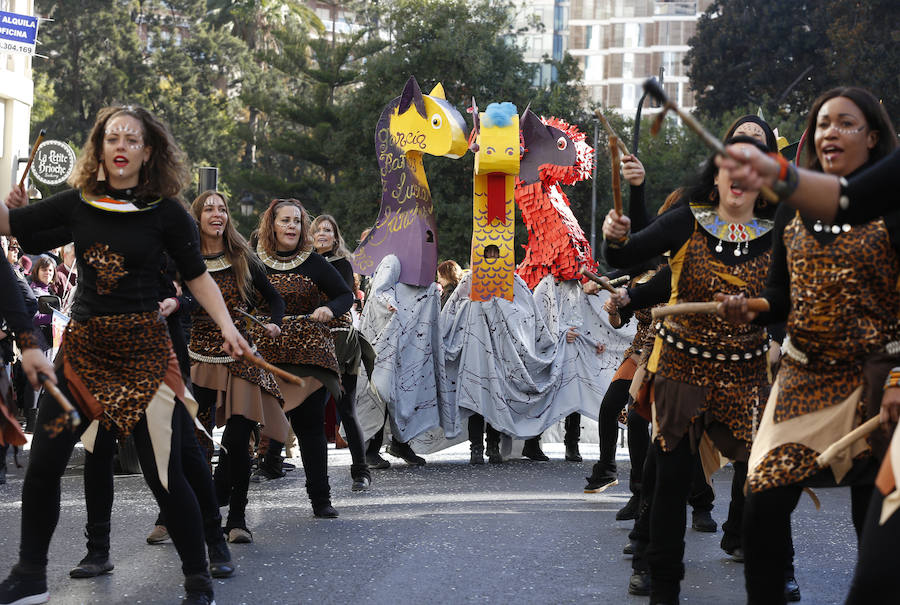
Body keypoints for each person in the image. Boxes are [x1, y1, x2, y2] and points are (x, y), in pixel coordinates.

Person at [0, 105, 250, 605]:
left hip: (145, 356)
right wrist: (14, 209)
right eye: (112, 136)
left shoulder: (168, 212)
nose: (120, 145)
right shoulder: (78, 204)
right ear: (100, 147)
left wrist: (227, 328)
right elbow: (11, 226)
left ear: (148, 151)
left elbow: (197, 277)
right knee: (44, 462)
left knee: (165, 474)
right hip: (84, 355)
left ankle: (198, 578)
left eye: (131, 139)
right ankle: (30, 575)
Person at [718, 87, 898, 605]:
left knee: (878, 535)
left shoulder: (891, 201)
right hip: (803, 377)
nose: (830, 132)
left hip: (878, 382)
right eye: (822, 124)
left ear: (873, 135)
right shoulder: (792, 212)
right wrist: (750, 306)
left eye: (845, 122)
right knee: (762, 501)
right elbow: (779, 295)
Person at [603, 133, 778, 604]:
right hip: (680, 368)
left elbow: (786, 302)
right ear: (715, 175)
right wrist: (614, 238)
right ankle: (661, 583)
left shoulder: (779, 231)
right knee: (669, 475)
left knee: (763, 479)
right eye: (730, 165)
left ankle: (773, 566)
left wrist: (763, 315)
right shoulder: (687, 220)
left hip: (745, 373)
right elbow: (628, 254)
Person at [186, 190, 286, 543]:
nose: (218, 214)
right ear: (197, 217)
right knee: (196, 441)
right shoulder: (184, 258)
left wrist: (273, 322)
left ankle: (238, 519)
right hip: (199, 358)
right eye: (209, 209)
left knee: (238, 438)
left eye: (223, 209)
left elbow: (275, 298)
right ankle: (177, 513)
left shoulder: (241, 255)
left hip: (241, 355)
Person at [249, 198, 353, 518]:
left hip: (310, 355)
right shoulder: (255, 262)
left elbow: (345, 295)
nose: (292, 226)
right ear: (272, 225)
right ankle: (229, 497)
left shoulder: (314, 262)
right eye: (285, 220)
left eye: (297, 221)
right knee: (249, 424)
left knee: (309, 428)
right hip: (268, 355)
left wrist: (329, 309)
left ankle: (320, 499)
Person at [311, 213, 372, 491]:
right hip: (311, 342)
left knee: (346, 407)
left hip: (340, 341)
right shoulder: (303, 263)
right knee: (309, 409)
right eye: (317, 229)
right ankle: (275, 460)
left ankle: (361, 471)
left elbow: (343, 296)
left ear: (335, 237)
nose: (322, 233)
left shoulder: (343, 264)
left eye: (328, 229)